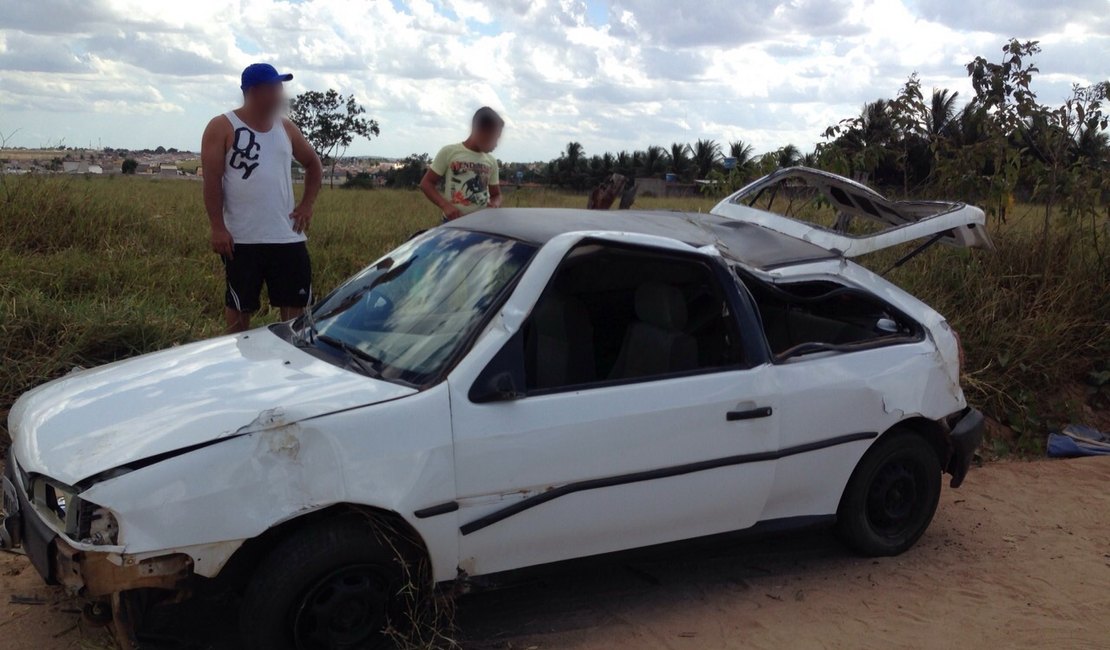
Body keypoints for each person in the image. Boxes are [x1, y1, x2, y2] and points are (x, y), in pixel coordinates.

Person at [201, 63, 323, 333]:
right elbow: (212, 181)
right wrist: (218, 227)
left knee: (295, 311)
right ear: (255, 91)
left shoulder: (286, 128)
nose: (281, 94)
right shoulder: (222, 127)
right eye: (274, 88)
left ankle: (288, 362)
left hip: (287, 237)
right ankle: (237, 361)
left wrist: (306, 205)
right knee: (239, 306)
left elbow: (314, 165)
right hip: (242, 238)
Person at [420, 107, 503, 221]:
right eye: (492, 138)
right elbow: (426, 183)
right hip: (453, 222)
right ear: (478, 130)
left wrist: (495, 204)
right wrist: (445, 206)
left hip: (482, 224)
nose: (495, 144)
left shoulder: (492, 162)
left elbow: (496, 195)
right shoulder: (449, 152)